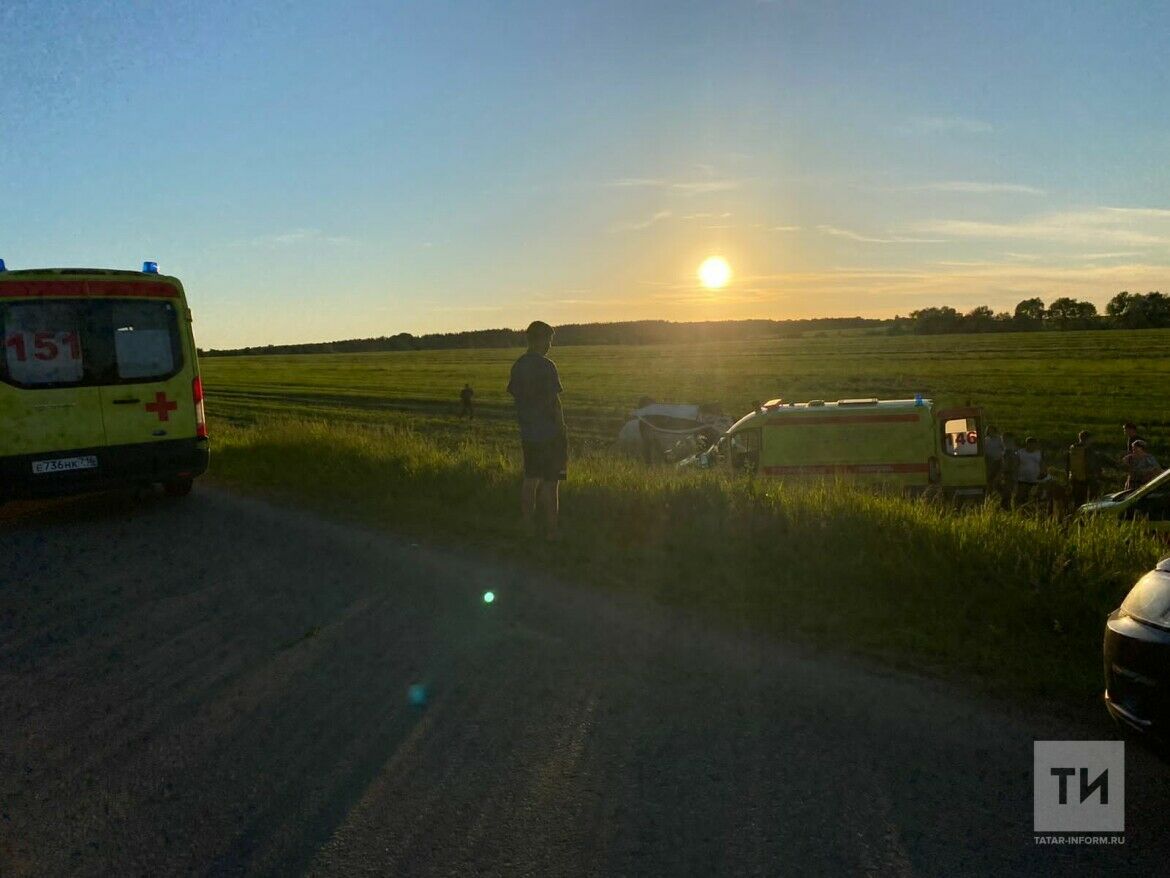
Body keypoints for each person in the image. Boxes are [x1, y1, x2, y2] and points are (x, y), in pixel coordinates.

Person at [507, 321, 567, 540]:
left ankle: (527, 527)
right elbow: (555, 403)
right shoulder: (547, 366)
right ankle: (552, 531)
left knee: (530, 479)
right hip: (550, 434)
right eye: (549, 340)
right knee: (552, 483)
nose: (550, 345)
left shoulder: (518, 366)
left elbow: (517, 397)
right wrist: (561, 432)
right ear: (540, 340)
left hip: (528, 433)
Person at [1066, 430, 1100, 507]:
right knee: (1090, 502)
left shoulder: (1072, 449)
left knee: (1077, 502)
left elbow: (1067, 465)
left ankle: (1076, 516)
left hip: (1074, 479)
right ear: (1088, 439)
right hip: (1086, 480)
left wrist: (1068, 478)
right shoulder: (1088, 450)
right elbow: (1091, 465)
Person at [1015, 436, 1046, 507]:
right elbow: (1016, 463)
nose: (1032, 446)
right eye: (1031, 444)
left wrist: (1043, 473)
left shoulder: (1038, 453)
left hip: (1035, 479)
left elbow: (1042, 464)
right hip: (1022, 479)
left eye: (1034, 444)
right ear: (1027, 444)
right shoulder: (1020, 452)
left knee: (1033, 497)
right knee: (1021, 496)